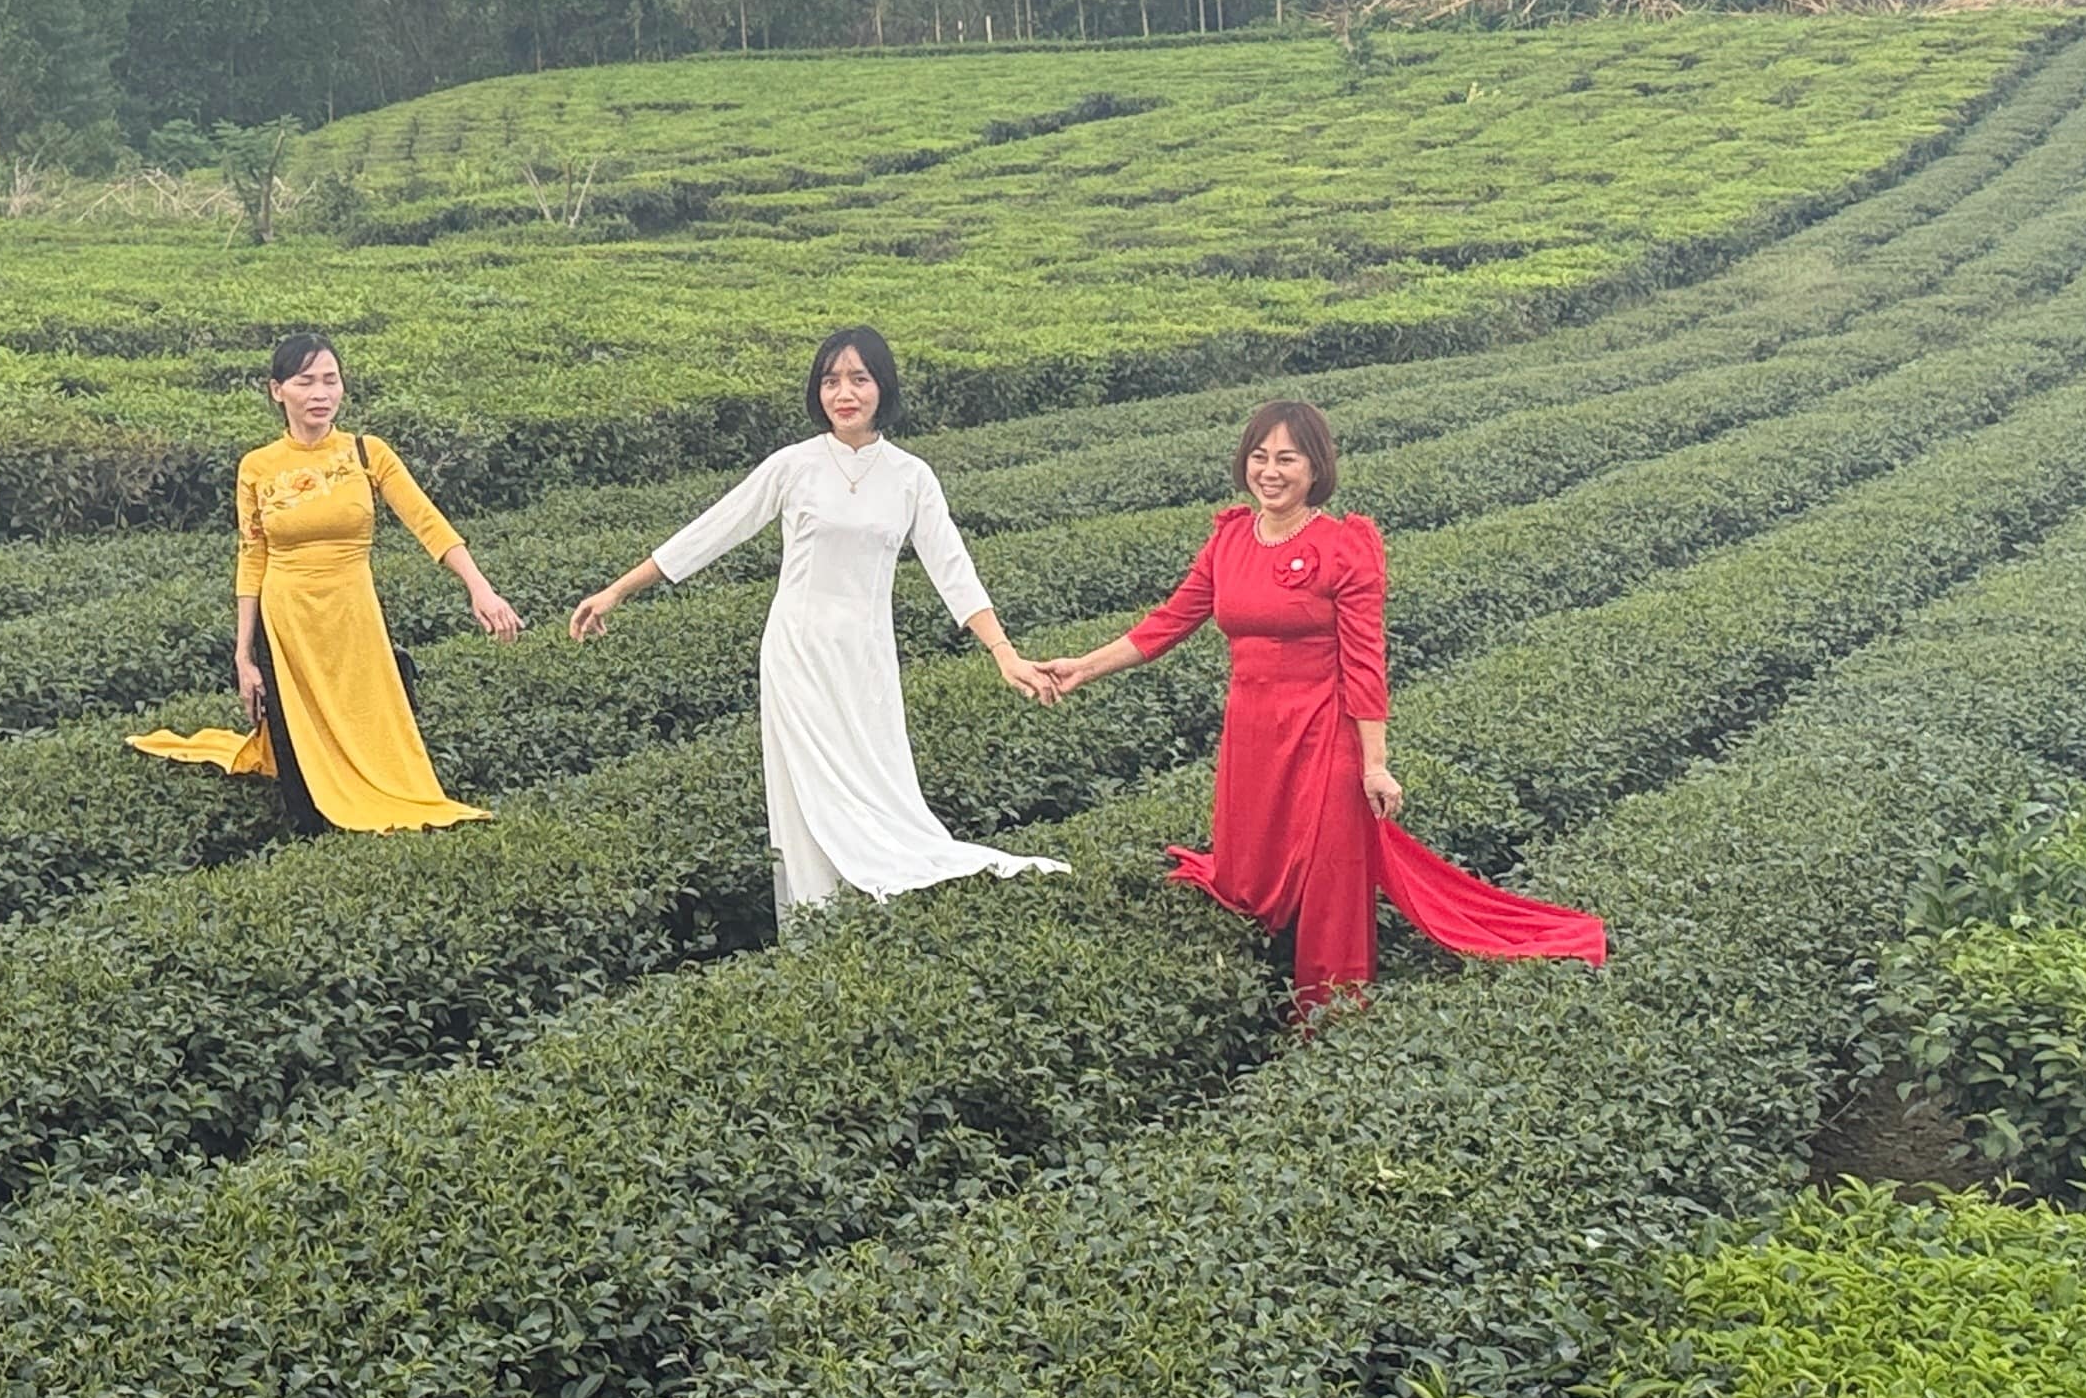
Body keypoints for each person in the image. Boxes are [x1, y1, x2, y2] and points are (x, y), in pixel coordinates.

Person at [1037, 399, 1605, 1004]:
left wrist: (1375, 764)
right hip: (1251, 732)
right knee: (1246, 875)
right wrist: (1083, 668)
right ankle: (1250, 989)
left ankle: (1328, 1015)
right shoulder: (1230, 539)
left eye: (1287, 458)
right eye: (1259, 457)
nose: (1270, 471)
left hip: (1321, 729)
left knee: (1332, 881)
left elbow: (1364, 661)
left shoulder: (1345, 547)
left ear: (1315, 469)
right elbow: (1167, 623)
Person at [572, 325, 1067, 914]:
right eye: (831, 381)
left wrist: (1003, 652)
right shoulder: (794, 466)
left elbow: (953, 570)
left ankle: (875, 914)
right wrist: (617, 592)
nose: (844, 393)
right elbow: (711, 531)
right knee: (806, 794)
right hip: (797, 651)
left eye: (859, 379)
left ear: (882, 387)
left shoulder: (911, 477)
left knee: (878, 785)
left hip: (867, 655)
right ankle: (814, 920)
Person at [130, 329, 524, 831]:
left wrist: (479, 587)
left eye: (330, 380)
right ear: (278, 391)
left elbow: (427, 520)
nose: (320, 394)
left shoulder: (367, 453)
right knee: (307, 786)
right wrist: (243, 655)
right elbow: (252, 557)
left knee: (370, 718)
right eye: (305, 381)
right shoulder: (257, 466)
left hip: (352, 611)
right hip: (287, 618)